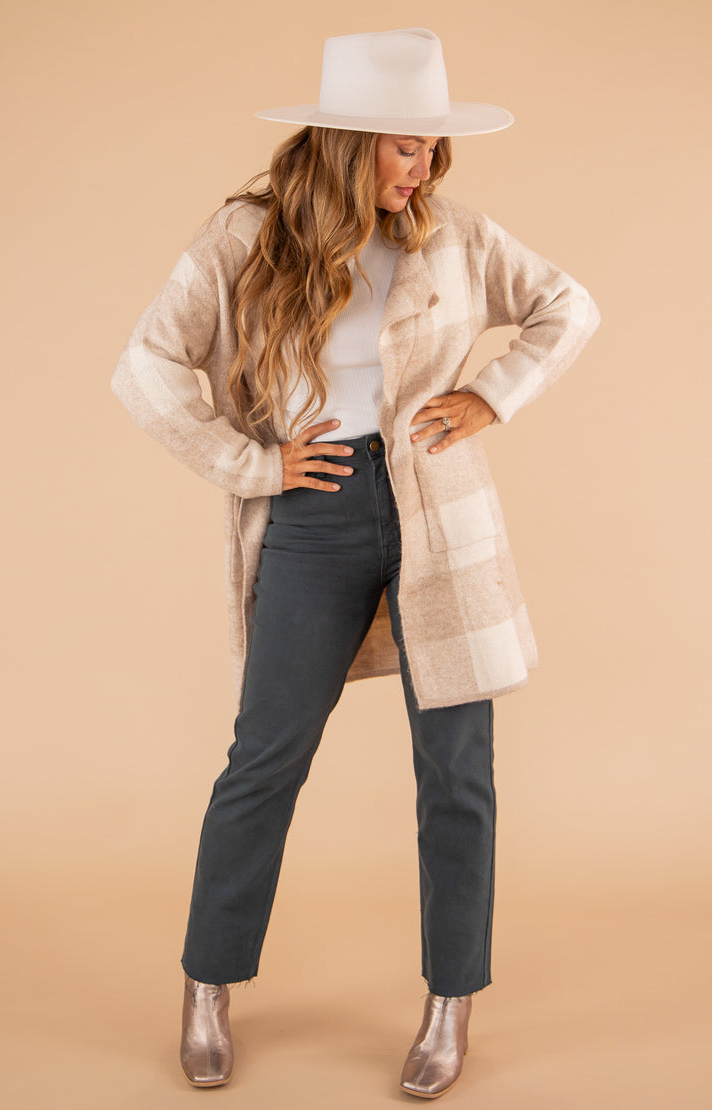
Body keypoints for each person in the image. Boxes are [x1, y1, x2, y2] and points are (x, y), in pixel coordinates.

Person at [111, 27, 600, 1100]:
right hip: (314, 510)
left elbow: (567, 306)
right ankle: (206, 985)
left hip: (441, 512)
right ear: (345, 141)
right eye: (404, 145)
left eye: (431, 146)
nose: (423, 166)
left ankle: (450, 1004)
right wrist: (250, 465)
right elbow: (145, 365)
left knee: (457, 774)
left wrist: (491, 395)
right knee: (264, 759)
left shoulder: (452, 235)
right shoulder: (246, 237)